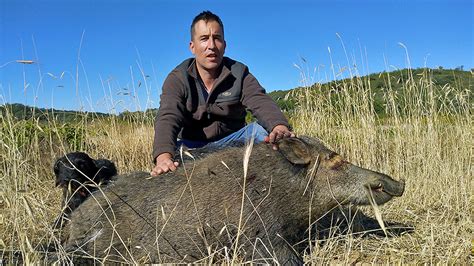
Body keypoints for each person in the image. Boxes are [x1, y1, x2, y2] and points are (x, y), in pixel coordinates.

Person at [151, 11, 294, 176]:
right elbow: (167, 116)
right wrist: (163, 157)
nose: (211, 45)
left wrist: (279, 127)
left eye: (217, 38)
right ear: (192, 46)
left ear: (224, 45)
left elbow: (260, 100)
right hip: (193, 146)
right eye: (204, 39)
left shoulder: (239, 72)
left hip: (233, 140)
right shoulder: (177, 78)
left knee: (261, 133)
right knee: (171, 155)